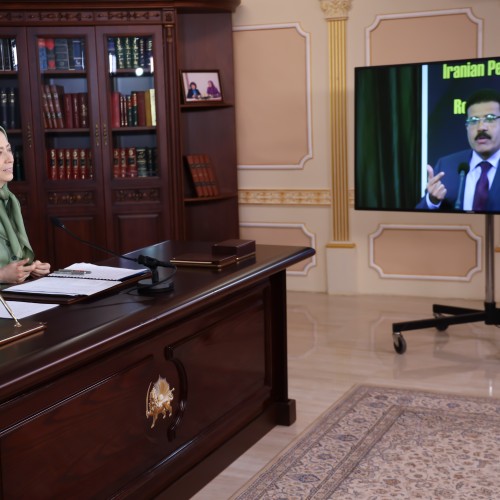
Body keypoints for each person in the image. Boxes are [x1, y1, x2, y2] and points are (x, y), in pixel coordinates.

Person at [416, 88, 500, 211]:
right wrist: (432, 201)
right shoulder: (446, 166)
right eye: (473, 120)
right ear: (466, 127)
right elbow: (417, 217)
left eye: (490, 118)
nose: (481, 127)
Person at [0, 126, 50, 283]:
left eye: (9, 149)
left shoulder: (9, 201)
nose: (10, 158)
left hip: (16, 295)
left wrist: (31, 269)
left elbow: (13, 259)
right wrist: (2, 275)